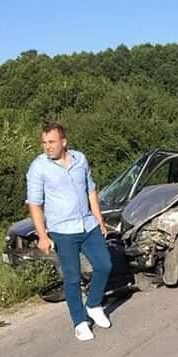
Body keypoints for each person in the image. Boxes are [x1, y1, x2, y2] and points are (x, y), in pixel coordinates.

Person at [26, 121, 113, 341]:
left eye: (52, 142)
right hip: (62, 230)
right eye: (44, 142)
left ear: (63, 142)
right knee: (72, 277)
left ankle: (93, 304)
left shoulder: (80, 159)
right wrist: (43, 236)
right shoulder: (38, 167)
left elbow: (90, 189)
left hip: (87, 224)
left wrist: (99, 218)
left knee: (104, 265)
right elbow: (35, 204)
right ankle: (80, 322)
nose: (48, 147)